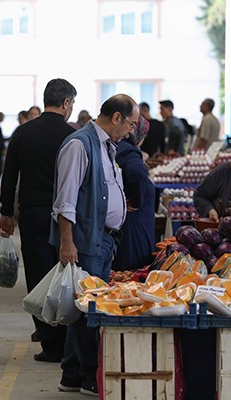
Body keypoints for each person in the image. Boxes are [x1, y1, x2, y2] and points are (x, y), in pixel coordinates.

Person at [51, 94, 139, 395]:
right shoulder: (79, 145)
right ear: (116, 118)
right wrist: (67, 243)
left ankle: (72, 374)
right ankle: (90, 375)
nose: (131, 130)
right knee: (89, 310)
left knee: (84, 309)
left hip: (103, 238)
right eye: (130, 124)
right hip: (86, 239)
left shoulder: (107, 146)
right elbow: (65, 201)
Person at [0, 78, 77, 363]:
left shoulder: (22, 133)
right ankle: (68, 339)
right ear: (66, 103)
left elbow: (10, 177)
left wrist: (6, 212)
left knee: (38, 274)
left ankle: (49, 342)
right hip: (66, 217)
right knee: (66, 273)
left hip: (32, 214)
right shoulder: (73, 135)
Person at [113, 116, 155, 271]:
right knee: (131, 272)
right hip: (133, 225)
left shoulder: (117, 147)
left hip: (125, 224)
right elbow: (137, 174)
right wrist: (136, 201)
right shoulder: (129, 151)